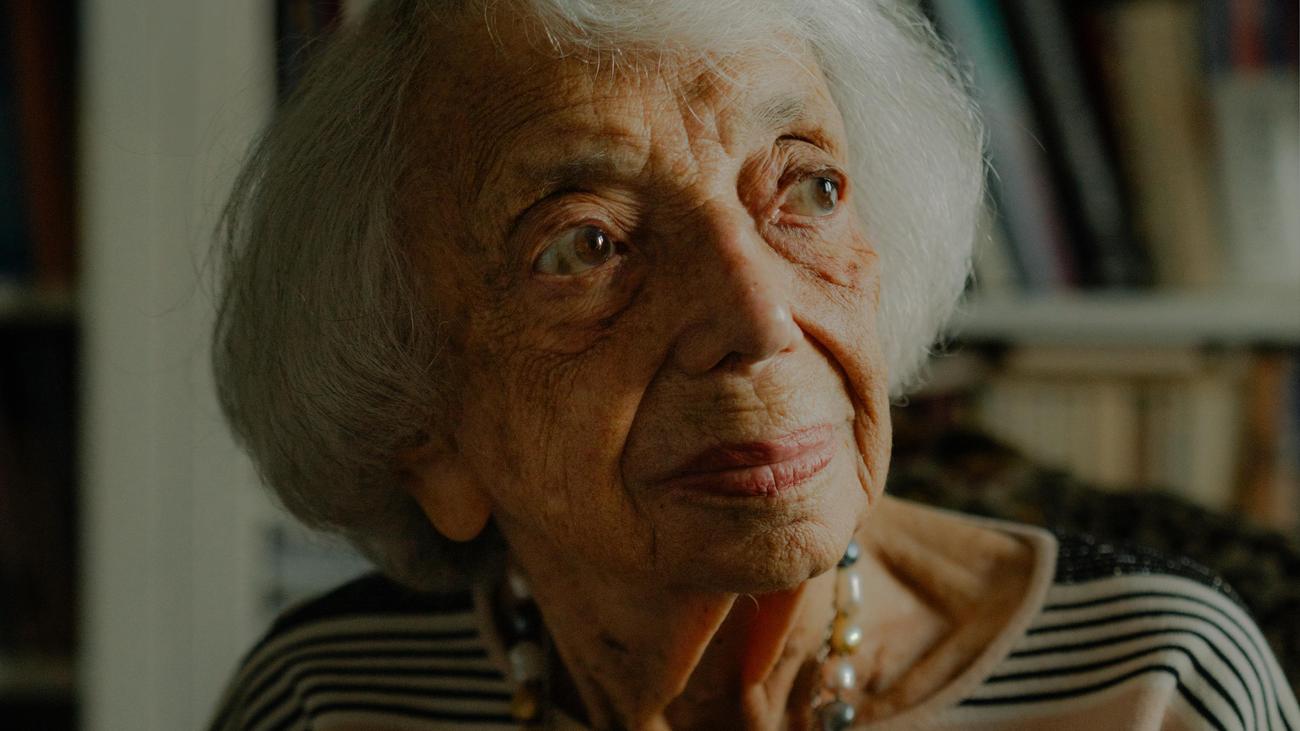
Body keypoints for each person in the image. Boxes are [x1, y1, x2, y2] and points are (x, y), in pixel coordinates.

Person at [207, 1, 1299, 728]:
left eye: (807, 188)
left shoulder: (1154, 689)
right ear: (423, 428)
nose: (760, 314)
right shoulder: (328, 701)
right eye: (585, 244)